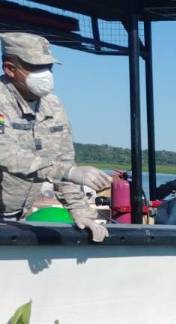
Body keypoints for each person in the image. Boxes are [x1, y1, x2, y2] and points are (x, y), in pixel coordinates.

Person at [0, 33, 109, 241]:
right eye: (35, 67)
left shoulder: (53, 106)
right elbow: (6, 153)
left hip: (15, 218)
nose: (45, 74)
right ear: (10, 69)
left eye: (48, 67)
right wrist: (67, 171)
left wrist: (80, 212)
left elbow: (64, 161)